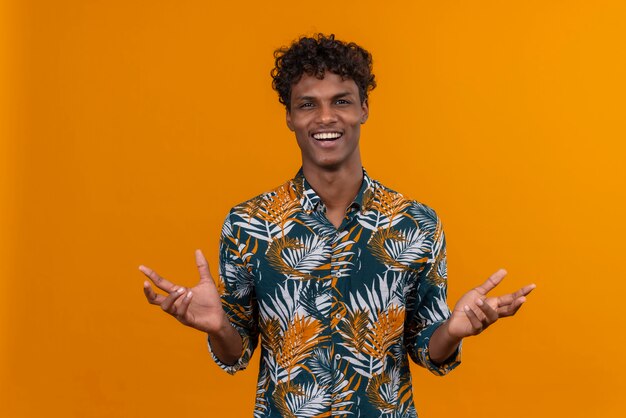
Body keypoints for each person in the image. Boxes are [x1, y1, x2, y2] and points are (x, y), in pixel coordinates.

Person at [140, 34, 535, 417]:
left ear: (364, 108)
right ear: (290, 117)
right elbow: (235, 352)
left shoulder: (416, 223)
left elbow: (425, 347)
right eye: (308, 104)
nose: (326, 117)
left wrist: (452, 330)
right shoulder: (249, 223)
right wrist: (218, 328)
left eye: (341, 101)